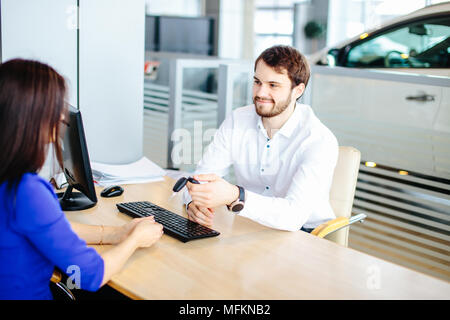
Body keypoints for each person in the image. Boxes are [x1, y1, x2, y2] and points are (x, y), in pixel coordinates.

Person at [0, 59, 163, 300]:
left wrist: (115, 234)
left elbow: (55, 230)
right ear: (35, 117)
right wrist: (136, 241)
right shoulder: (27, 191)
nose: (62, 118)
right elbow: (89, 275)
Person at [184, 45, 338, 232]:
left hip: (304, 233)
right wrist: (194, 203)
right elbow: (202, 177)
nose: (260, 93)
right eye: (257, 82)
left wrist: (236, 196)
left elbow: (293, 217)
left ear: (298, 90)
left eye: (273, 85)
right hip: (249, 223)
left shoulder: (318, 140)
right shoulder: (238, 119)